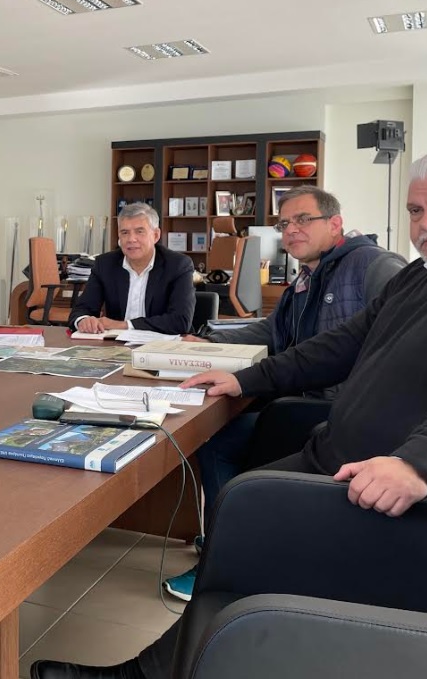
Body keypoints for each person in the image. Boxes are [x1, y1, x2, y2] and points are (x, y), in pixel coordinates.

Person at [30, 147, 427, 679]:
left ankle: (150, 673)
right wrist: (246, 378)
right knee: (235, 510)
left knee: (243, 511)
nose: (426, 225)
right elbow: (341, 344)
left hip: (388, 484)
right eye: (416, 211)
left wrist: (420, 464)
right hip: (339, 454)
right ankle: (168, 666)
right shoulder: (425, 274)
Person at [164, 186, 405, 601]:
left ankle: (229, 554)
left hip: (338, 414)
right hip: (304, 402)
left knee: (220, 442)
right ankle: (228, 537)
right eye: (284, 223)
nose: (291, 230)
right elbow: (274, 331)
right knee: (220, 432)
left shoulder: (373, 266)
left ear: (335, 223)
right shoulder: (306, 277)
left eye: (303, 219)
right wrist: (211, 341)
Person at [69, 202, 194, 334]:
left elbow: (180, 321)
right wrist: (84, 320)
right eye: (125, 232)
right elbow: (81, 310)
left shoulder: (178, 265)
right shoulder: (105, 264)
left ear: (156, 235)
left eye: (139, 231)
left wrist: (124, 325)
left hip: (162, 343)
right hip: (114, 343)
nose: (131, 239)